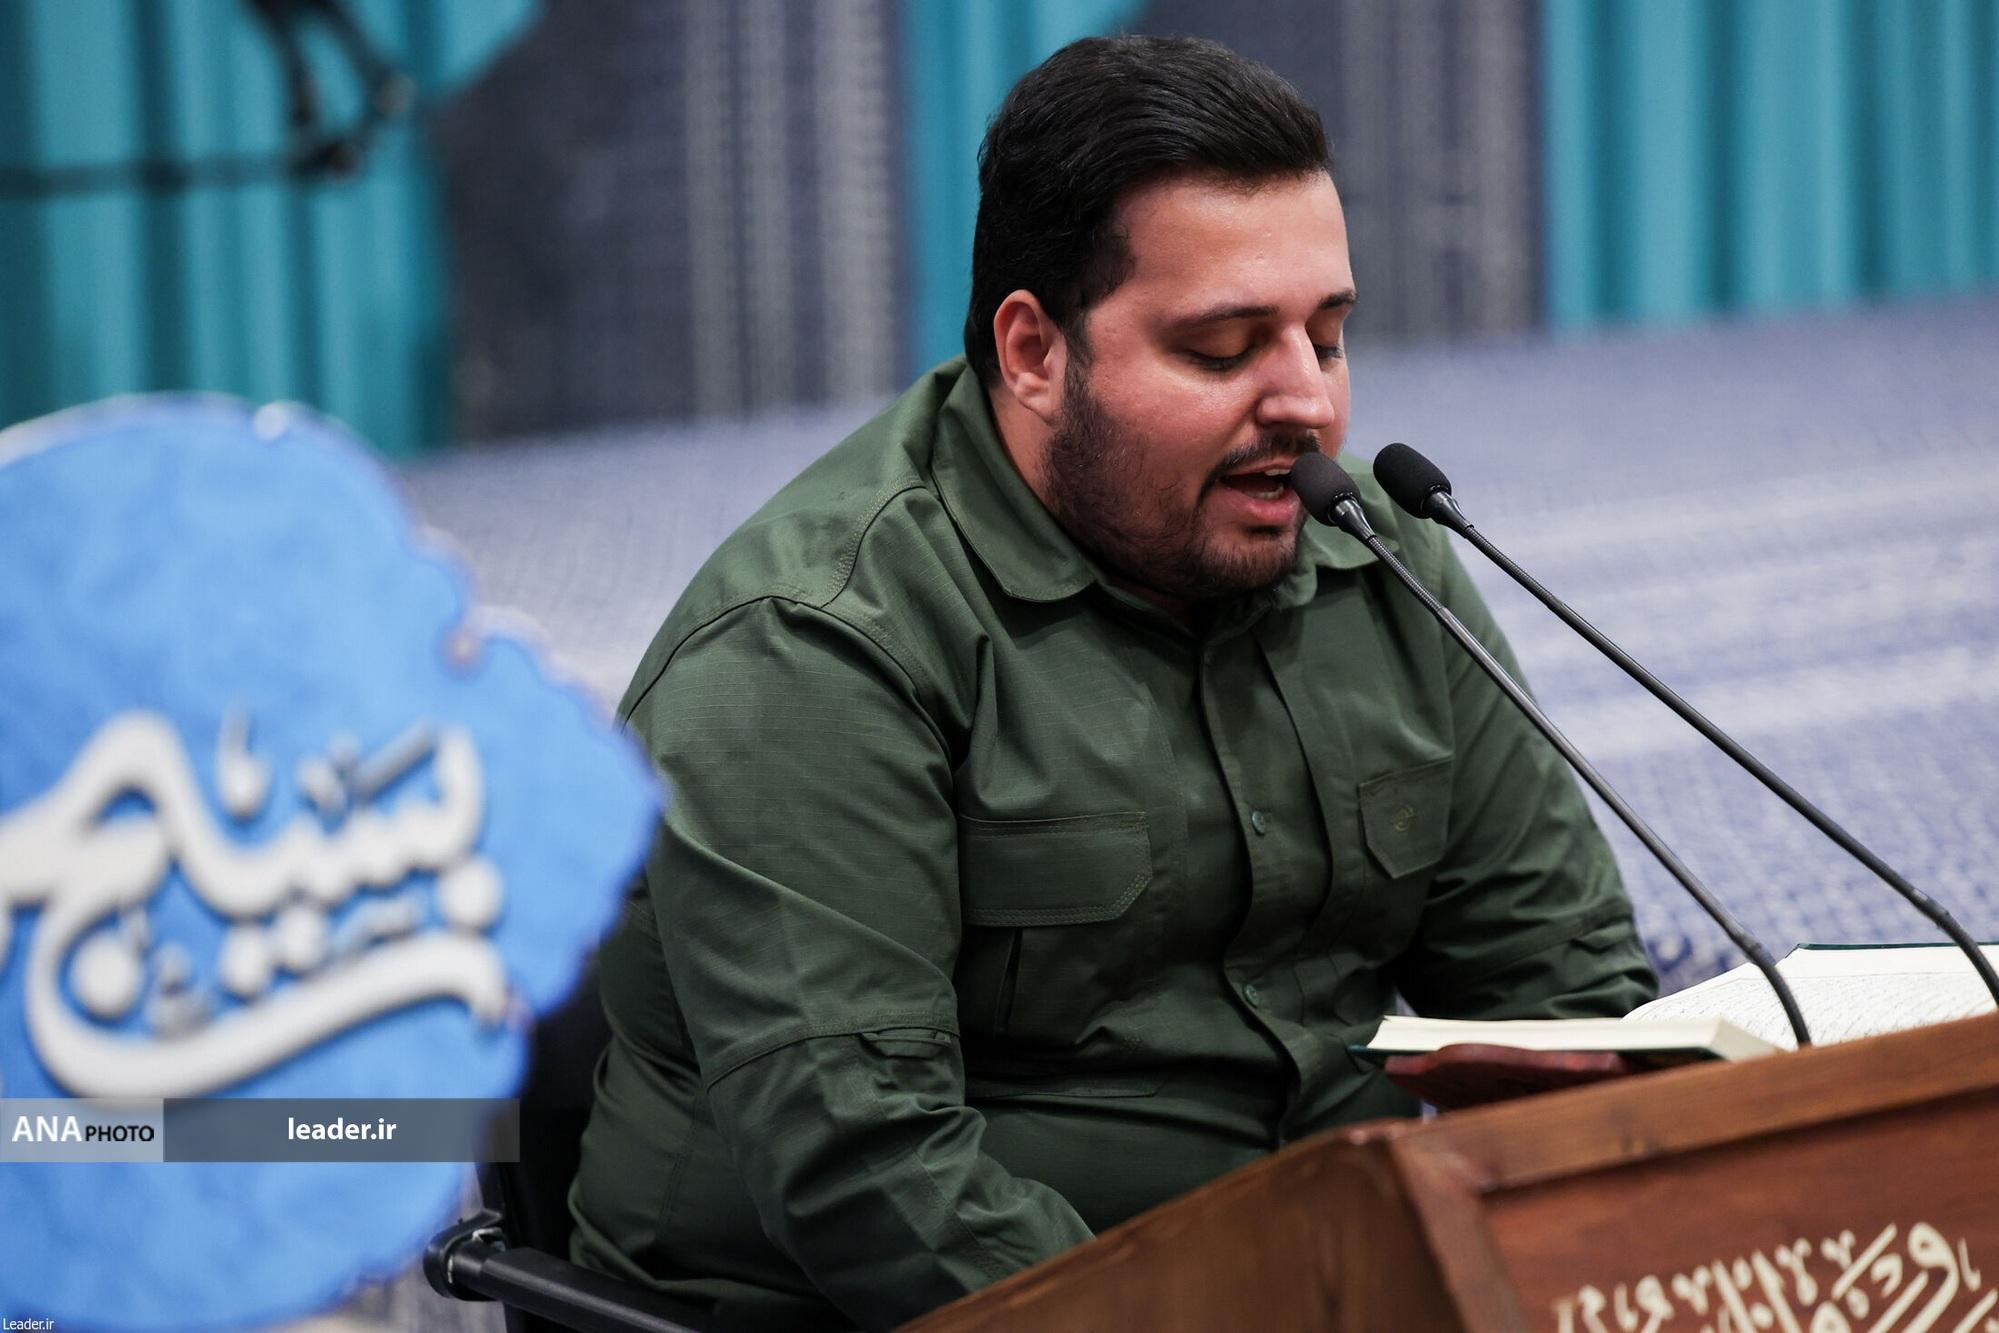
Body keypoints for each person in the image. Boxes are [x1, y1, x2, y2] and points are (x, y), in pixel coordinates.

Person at [569, 34, 1656, 1331]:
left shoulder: (1375, 555)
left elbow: (1566, 995)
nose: (1307, 404)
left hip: (1330, 1276)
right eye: (1225, 349)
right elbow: (875, 1176)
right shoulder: (813, 644)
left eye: (1327, 337)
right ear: (1035, 353)